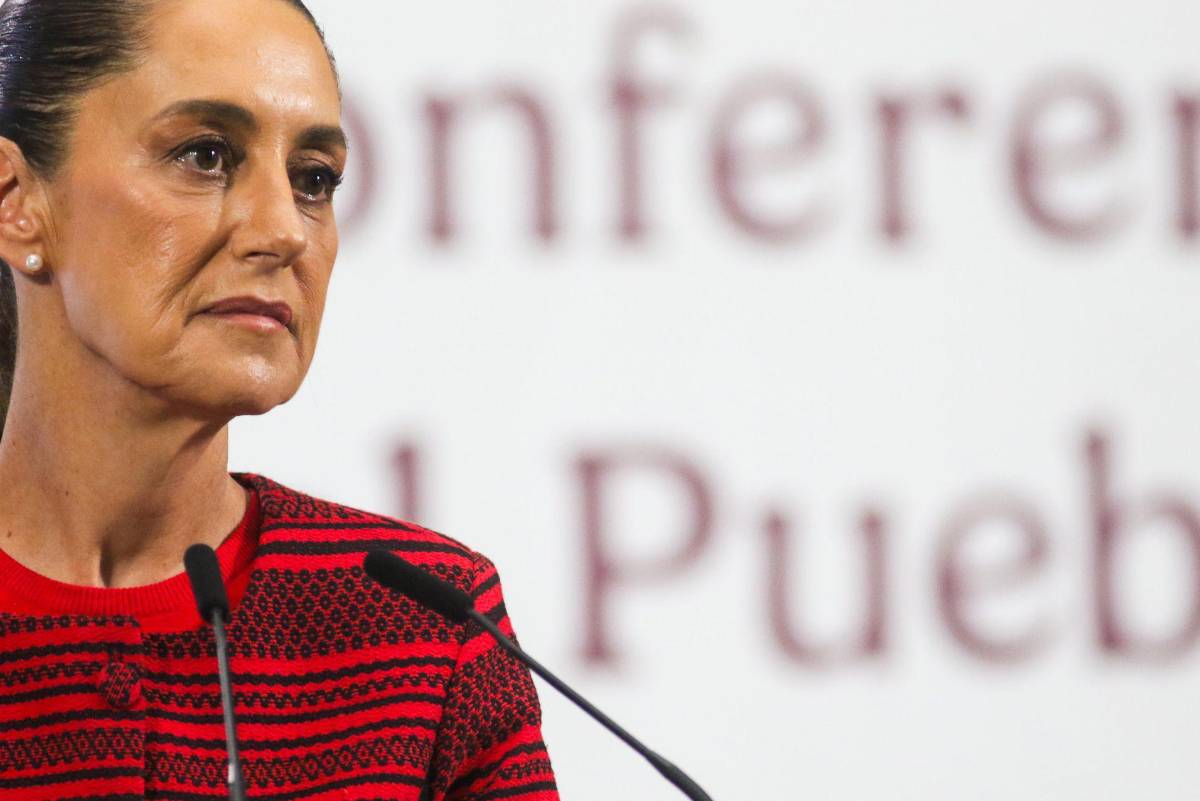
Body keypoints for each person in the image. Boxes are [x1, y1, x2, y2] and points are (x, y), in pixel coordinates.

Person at [0, 0, 558, 799]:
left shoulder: (427, 635)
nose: (285, 229)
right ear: (16, 200)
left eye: (313, 179)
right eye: (205, 155)